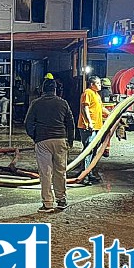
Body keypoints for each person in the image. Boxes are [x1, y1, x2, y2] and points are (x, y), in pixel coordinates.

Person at [24, 78, 75, 213]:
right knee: (60, 171)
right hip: (60, 139)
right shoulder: (63, 103)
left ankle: (47, 203)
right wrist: (70, 139)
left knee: (45, 173)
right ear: (55, 90)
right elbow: (70, 122)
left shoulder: (36, 103)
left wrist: (35, 137)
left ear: (42, 89)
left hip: (43, 141)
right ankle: (61, 199)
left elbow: (28, 123)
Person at [77, 76, 110, 185]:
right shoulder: (87, 93)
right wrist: (89, 122)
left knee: (93, 150)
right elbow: (85, 108)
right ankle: (84, 175)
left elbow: (100, 108)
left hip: (97, 127)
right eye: (98, 83)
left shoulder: (96, 95)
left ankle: (89, 173)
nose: (100, 85)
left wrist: (113, 114)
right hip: (88, 127)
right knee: (88, 150)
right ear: (92, 84)